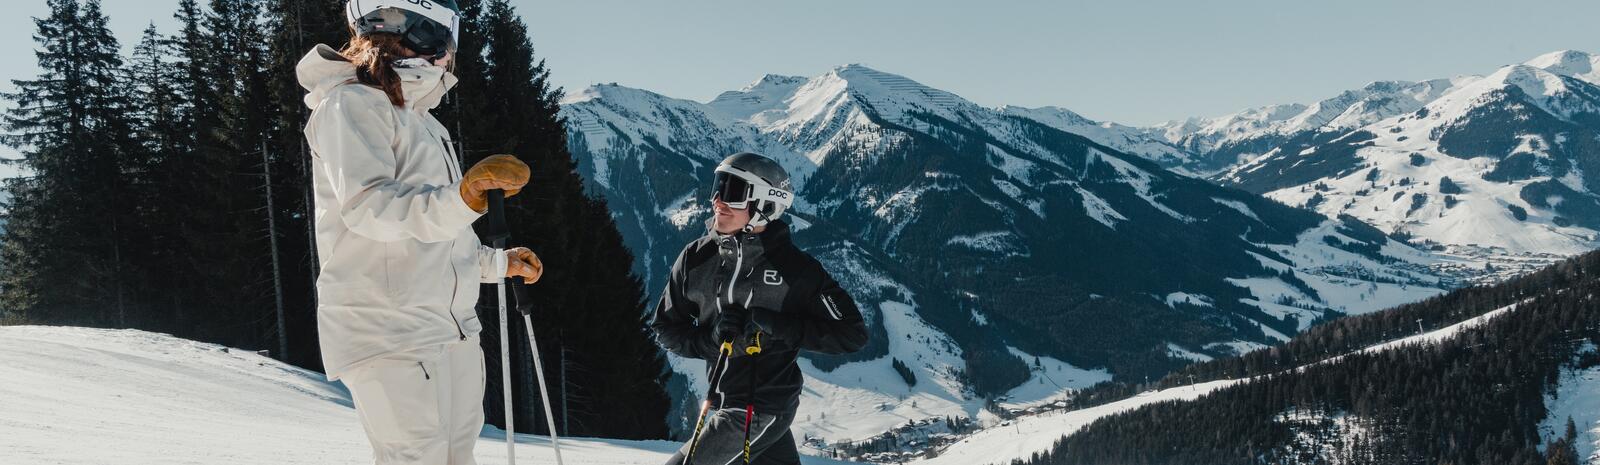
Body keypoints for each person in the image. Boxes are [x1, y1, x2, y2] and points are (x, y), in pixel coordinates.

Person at [297, 1, 543, 463]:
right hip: (388, 329)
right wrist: (465, 198)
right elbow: (371, 208)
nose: (450, 51)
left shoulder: (421, 119)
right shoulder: (350, 104)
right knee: (416, 458)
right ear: (419, 30)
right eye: (444, 33)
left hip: (448, 327)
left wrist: (496, 263)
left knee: (454, 455)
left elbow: (435, 235)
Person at [652, 152, 870, 465]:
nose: (718, 200)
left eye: (733, 192)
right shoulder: (696, 259)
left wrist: (778, 326)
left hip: (763, 409)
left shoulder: (796, 270)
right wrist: (710, 340)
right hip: (727, 403)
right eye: (717, 186)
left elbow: (852, 334)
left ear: (766, 205)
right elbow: (665, 329)